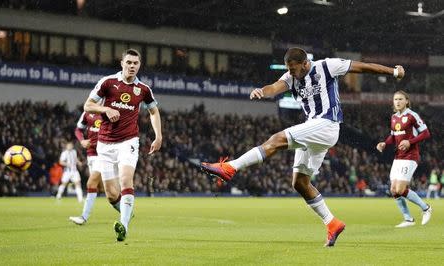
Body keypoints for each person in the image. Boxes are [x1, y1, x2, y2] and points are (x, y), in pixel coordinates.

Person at [201, 47, 405, 247]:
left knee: (276, 139)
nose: (290, 73)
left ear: (305, 63)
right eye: (288, 69)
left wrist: (393, 71)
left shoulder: (327, 66)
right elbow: (274, 87)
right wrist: (261, 91)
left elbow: (362, 67)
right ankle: (332, 223)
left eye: (293, 69)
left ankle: (230, 168)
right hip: (313, 130)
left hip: (327, 124)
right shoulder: (290, 77)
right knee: (300, 183)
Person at [83, 48, 162, 241]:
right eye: (129, 63)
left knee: (126, 180)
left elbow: (154, 112)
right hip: (105, 143)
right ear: (122, 63)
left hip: (128, 141)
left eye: (135, 63)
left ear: (139, 65)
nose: (132, 66)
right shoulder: (108, 83)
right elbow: (88, 105)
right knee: (111, 194)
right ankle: (127, 211)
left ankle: (124, 225)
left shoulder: (143, 89)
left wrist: (158, 136)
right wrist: (106, 109)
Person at [376, 90, 432, 228]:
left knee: (400, 189)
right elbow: (393, 136)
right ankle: (408, 219)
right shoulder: (394, 117)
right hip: (398, 157)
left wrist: (410, 142)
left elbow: (426, 133)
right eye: (395, 99)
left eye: (401, 99)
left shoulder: (412, 116)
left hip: (410, 156)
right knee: (394, 190)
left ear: (407, 101)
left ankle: (426, 208)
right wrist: (385, 143)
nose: (398, 102)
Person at [69, 111, 118, 225]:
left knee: (91, 184)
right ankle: (126, 210)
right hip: (91, 155)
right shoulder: (87, 113)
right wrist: (82, 141)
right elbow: (78, 130)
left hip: (104, 154)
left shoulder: (110, 112)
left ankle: (83, 217)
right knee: (102, 189)